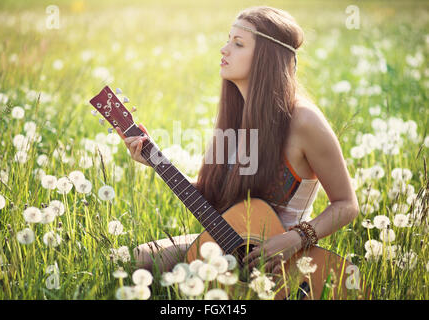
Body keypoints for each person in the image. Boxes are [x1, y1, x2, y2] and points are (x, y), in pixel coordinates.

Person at [115, 6, 359, 275]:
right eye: (228, 39)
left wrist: (294, 240)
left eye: (238, 43)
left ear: (267, 57)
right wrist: (154, 159)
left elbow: (346, 204)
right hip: (229, 249)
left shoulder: (304, 121)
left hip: (285, 269)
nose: (224, 49)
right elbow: (218, 200)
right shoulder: (235, 116)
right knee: (133, 259)